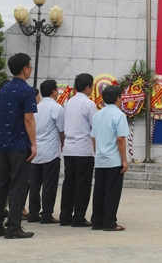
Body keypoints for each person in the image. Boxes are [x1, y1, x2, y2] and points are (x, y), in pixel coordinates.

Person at [0, 52, 37, 240]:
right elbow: (29, 119)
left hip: (3, 143)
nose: (31, 69)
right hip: (19, 144)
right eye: (30, 66)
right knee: (18, 185)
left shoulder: (4, 89)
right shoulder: (27, 91)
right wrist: (34, 143)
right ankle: (13, 227)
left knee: (1, 184)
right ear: (25, 68)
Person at [59, 72, 97, 228]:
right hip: (83, 149)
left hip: (69, 148)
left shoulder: (68, 103)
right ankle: (79, 217)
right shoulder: (89, 104)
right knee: (83, 184)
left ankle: (65, 216)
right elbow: (94, 126)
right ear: (88, 87)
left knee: (69, 182)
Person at [89, 84, 129, 231]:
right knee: (112, 192)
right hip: (113, 159)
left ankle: (97, 221)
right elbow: (120, 139)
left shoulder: (97, 115)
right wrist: (124, 160)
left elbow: (93, 137)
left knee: (99, 190)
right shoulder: (119, 115)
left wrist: (97, 152)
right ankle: (109, 222)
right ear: (118, 98)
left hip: (100, 158)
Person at [28, 79, 64, 224]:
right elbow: (61, 130)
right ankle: (46, 214)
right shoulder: (56, 108)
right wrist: (63, 143)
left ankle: (33, 213)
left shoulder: (35, 107)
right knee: (49, 184)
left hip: (36, 150)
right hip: (50, 151)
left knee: (34, 184)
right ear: (54, 91)